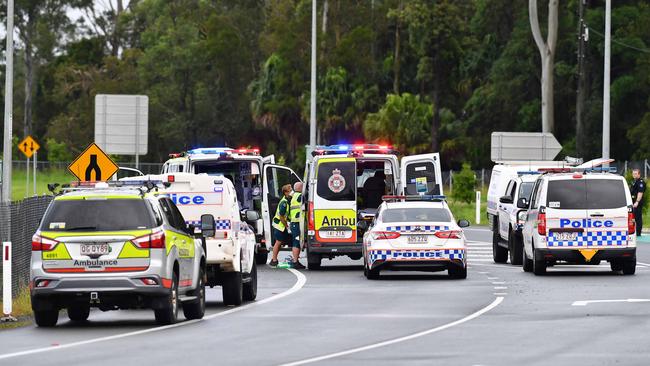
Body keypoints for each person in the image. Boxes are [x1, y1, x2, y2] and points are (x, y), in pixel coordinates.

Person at [269, 184, 293, 266]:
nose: (292, 192)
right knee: (278, 242)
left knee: (280, 242)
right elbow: (281, 216)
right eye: (290, 190)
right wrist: (286, 225)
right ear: (286, 192)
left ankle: (274, 259)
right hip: (279, 225)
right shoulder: (284, 202)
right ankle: (274, 260)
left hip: (281, 225)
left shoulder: (287, 200)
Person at [288, 182, 305, 269]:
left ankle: (296, 260)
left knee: (297, 241)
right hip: (296, 222)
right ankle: (295, 261)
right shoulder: (299, 196)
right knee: (296, 242)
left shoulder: (294, 195)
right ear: (301, 188)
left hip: (295, 222)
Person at [631, 169, 645, 236]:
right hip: (632, 202)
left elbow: (640, 193)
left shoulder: (640, 182)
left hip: (637, 203)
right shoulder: (634, 181)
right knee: (633, 217)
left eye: (636, 173)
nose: (634, 175)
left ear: (639, 174)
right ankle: (634, 231)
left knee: (638, 218)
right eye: (633, 173)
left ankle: (638, 233)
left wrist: (637, 202)